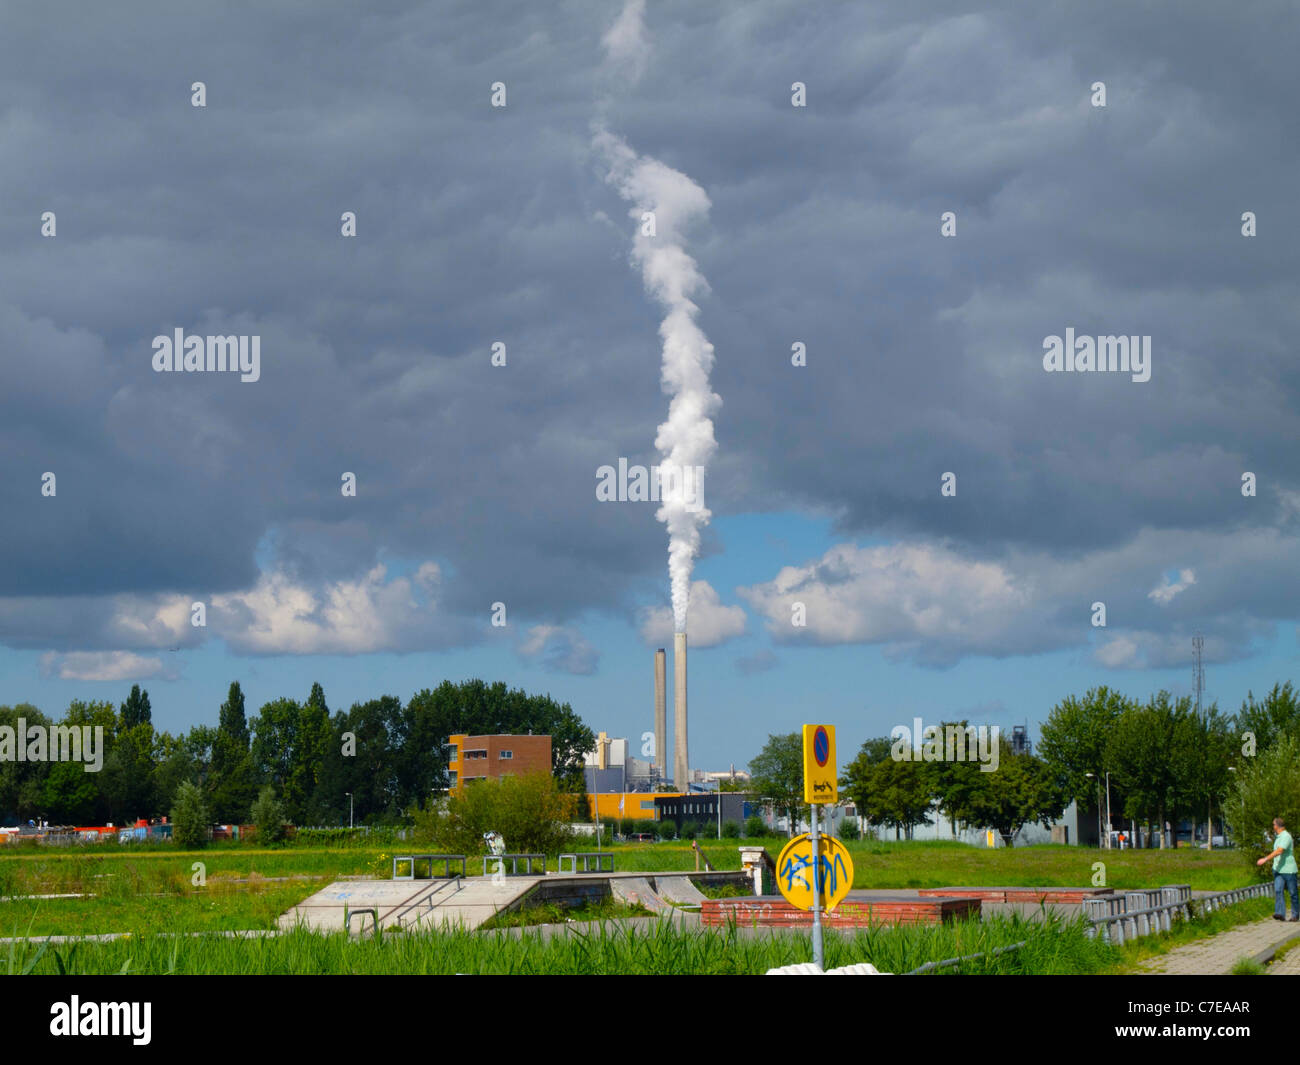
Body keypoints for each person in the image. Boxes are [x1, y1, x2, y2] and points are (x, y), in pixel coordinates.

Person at [1256, 817, 1298, 921]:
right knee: (1278, 890)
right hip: (1278, 869)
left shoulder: (1286, 836)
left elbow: (1279, 851)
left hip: (1288, 870)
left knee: (1293, 893)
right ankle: (1280, 913)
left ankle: (1295, 915)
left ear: (1277, 826)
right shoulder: (1278, 837)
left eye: (1273, 825)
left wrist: (1265, 859)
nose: (1273, 827)